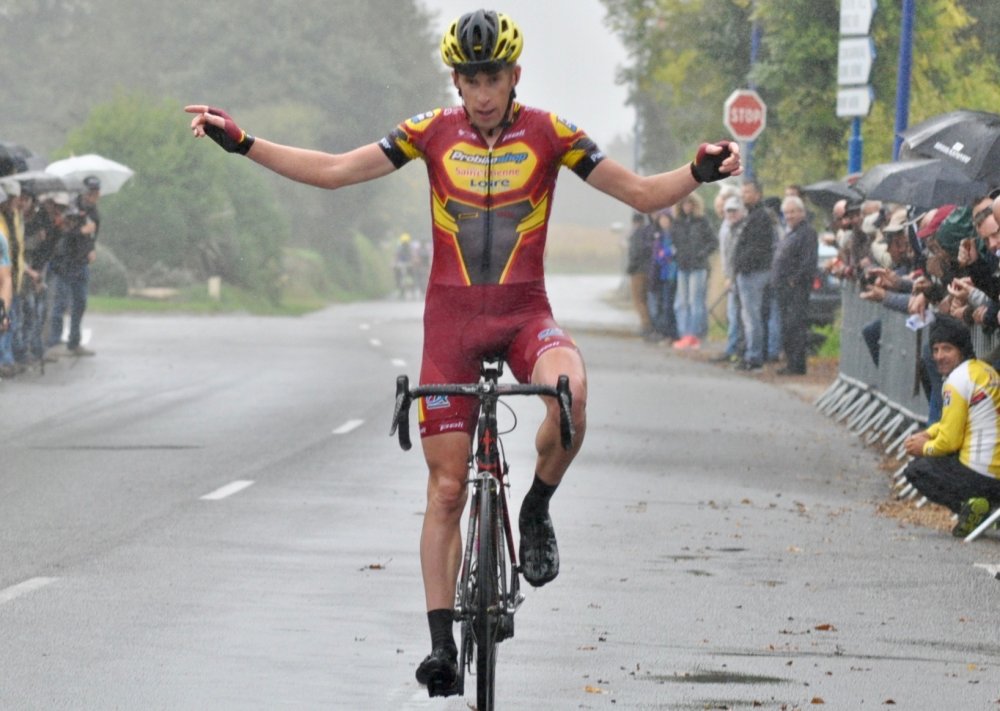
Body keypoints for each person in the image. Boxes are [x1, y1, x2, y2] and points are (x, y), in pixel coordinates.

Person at [185, 9, 741, 696]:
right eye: (470, 78)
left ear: (515, 76)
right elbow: (332, 171)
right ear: (456, 79)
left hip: (522, 315)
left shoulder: (551, 133)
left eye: (494, 77)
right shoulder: (428, 133)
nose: (482, 91)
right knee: (447, 489)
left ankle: (535, 507)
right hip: (450, 323)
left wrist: (697, 170)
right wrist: (242, 143)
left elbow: (640, 193)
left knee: (573, 392)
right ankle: (442, 644)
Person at [902, 315, 1000, 537]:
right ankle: (986, 510)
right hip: (996, 473)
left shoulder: (956, 381)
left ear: (962, 349)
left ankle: (976, 511)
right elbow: (951, 422)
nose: (939, 356)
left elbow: (949, 440)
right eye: (935, 350)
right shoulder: (984, 371)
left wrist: (923, 447)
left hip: (982, 476)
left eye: (946, 349)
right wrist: (927, 433)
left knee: (917, 469)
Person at [47, 175, 100, 357]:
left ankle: (74, 342)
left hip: (81, 262)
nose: (93, 195)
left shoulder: (94, 212)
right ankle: (54, 342)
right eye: (90, 191)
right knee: (60, 303)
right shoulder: (71, 207)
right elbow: (63, 233)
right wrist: (81, 231)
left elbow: (92, 235)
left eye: (96, 192)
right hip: (65, 261)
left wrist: (91, 248)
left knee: (80, 303)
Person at [771, 195, 817, 375]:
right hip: (783, 287)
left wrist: (794, 280)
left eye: (792, 212)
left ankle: (797, 364)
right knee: (786, 325)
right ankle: (790, 361)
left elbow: (808, 261)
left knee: (795, 325)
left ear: (801, 212)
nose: (789, 216)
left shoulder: (807, 233)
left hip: (796, 288)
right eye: (786, 213)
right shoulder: (790, 232)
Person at [732, 179, 775, 371]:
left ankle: (754, 356)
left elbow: (757, 247)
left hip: (754, 272)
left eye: (748, 192)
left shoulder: (760, 218)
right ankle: (750, 352)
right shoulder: (750, 216)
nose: (744, 196)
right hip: (747, 272)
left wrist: (743, 263)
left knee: (753, 317)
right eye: (743, 193)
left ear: (758, 194)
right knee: (748, 316)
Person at [671, 192, 716, 350]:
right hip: (682, 266)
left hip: (698, 267)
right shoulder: (677, 223)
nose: (686, 207)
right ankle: (684, 334)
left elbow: (713, 242)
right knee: (681, 303)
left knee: (695, 302)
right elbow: (673, 242)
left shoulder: (702, 222)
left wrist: (701, 254)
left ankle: (694, 335)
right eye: (684, 204)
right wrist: (676, 255)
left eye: (689, 203)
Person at [710, 195, 745, 363]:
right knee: (733, 313)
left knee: (741, 315)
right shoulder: (726, 228)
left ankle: (738, 348)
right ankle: (732, 347)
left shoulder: (741, 228)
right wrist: (727, 275)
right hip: (731, 276)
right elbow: (725, 255)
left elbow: (736, 255)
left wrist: (732, 276)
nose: (731, 214)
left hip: (740, 275)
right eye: (728, 211)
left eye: (734, 211)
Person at [647, 209, 678, 342]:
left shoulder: (674, 233)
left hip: (672, 274)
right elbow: (656, 255)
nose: (664, 221)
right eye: (661, 219)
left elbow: (672, 251)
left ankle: (671, 334)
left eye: (666, 219)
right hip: (660, 274)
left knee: (669, 305)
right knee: (661, 305)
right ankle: (663, 332)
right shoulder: (658, 235)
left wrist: (664, 254)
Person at [625, 211, 655, 338]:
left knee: (639, 300)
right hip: (646, 270)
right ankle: (647, 325)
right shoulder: (647, 232)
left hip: (638, 271)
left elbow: (636, 253)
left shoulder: (637, 234)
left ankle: (646, 326)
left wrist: (630, 268)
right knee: (645, 299)